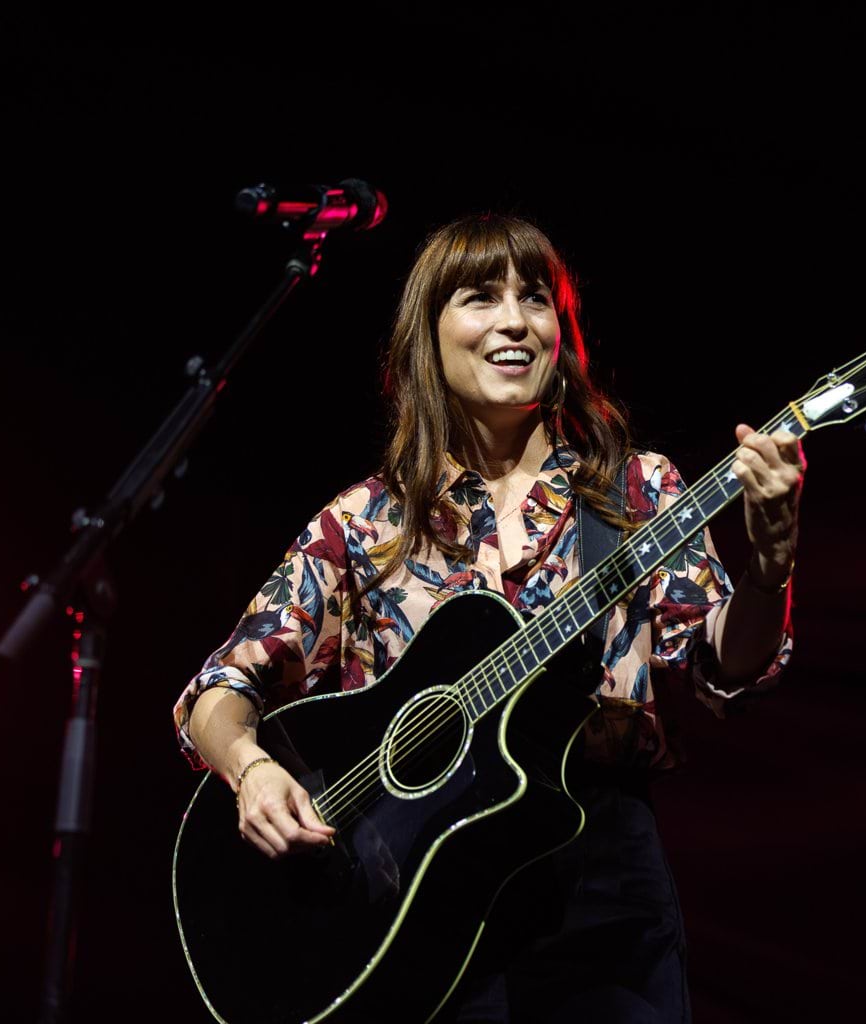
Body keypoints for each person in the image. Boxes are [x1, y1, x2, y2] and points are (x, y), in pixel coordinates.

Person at [172, 213, 802, 1022]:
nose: (515, 321)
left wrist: (771, 566)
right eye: (480, 297)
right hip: (407, 897)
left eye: (535, 298)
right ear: (427, 336)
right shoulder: (364, 522)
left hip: (597, 890)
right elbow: (219, 690)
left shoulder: (637, 490)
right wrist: (251, 768)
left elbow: (728, 669)